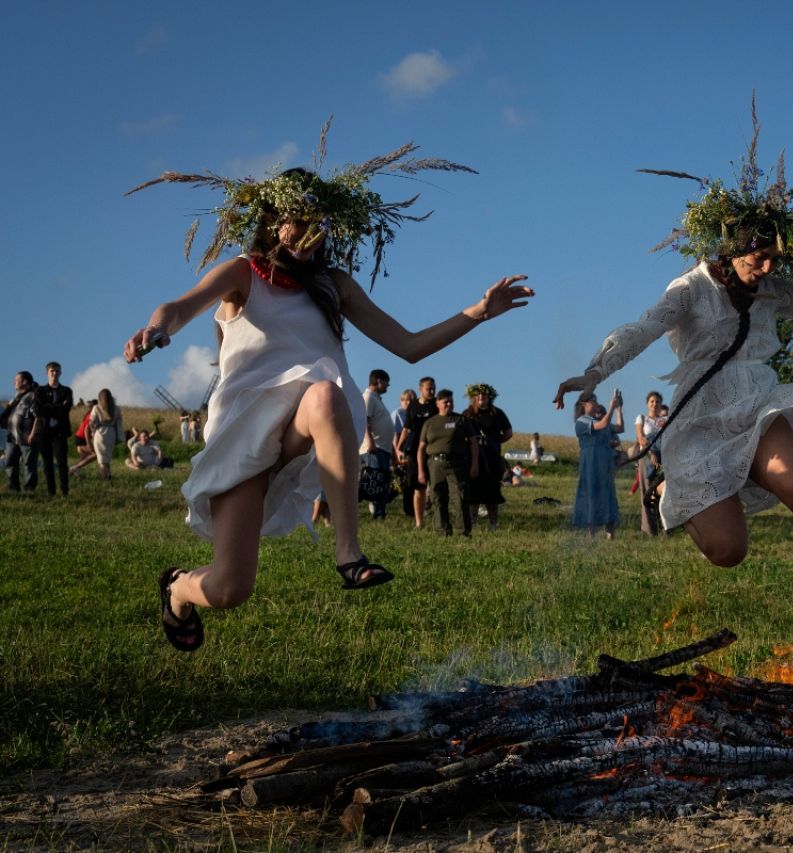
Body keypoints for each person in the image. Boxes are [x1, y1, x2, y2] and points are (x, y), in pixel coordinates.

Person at [124, 134, 533, 652]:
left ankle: (348, 553)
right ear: (275, 220)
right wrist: (156, 331)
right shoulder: (242, 274)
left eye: (319, 224)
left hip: (300, 429)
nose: (309, 232)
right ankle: (178, 588)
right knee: (230, 589)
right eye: (299, 220)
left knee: (325, 393)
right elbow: (180, 307)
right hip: (242, 438)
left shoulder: (333, 285)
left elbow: (408, 346)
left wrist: (479, 312)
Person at [554, 116, 793, 633]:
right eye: (759, 256)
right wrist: (594, 371)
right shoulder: (690, 286)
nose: (768, 268)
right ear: (731, 246)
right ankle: (669, 497)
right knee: (728, 552)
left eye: (776, 258)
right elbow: (642, 328)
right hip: (701, 415)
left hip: (755, 400)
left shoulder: (771, 288)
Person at [416, 389, 480, 537]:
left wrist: (474, 464)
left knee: (460, 497)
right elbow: (421, 448)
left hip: (456, 463)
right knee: (438, 497)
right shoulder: (430, 423)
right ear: (438, 403)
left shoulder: (461, 420)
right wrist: (421, 470)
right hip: (435, 463)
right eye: (445, 402)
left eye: (451, 401)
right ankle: (442, 530)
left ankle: (463, 531)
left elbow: (473, 443)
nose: (449, 404)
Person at [571, 391, 623, 538]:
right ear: (583, 404)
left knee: (607, 494)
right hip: (590, 463)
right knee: (591, 495)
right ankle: (591, 534)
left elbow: (620, 428)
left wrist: (619, 408)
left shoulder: (597, 419)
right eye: (592, 401)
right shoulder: (582, 421)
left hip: (604, 462)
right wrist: (611, 407)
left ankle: (610, 534)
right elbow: (603, 424)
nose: (595, 404)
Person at [462, 382, 512, 532]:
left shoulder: (497, 413)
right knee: (474, 492)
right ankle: (473, 523)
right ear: (473, 397)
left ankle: (493, 525)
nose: (481, 396)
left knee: (492, 493)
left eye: (484, 394)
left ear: (490, 396)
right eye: (478, 394)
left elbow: (508, 433)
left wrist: (495, 442)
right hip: (473, 459)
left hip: (492, 458)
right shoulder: (467, 414)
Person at [398, 376, 436, 528]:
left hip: (432, 449)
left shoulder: (436, 405)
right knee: (417, 487)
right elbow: (406, 429)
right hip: (414, 450)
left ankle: (438, 519)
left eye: (433, 388)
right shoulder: (413, 405)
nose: (432, 391)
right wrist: (399, 448)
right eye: (428, 389)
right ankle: (419, 522)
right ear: (420, 389)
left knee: (436, 487)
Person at [35, 361, 74, 496]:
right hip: (44, 431)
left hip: (60, 430)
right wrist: (58, 406)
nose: (55, 373)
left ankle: (64, 490)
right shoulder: (40, 391)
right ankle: (51, 491)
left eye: (57, 371)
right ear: (47, 373)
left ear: (61, 373)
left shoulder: (66, 391)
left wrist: (50, 407)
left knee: (62, 461)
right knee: (47, 462)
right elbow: (39, 410)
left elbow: (66, 409)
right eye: (52, 371)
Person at [360, 369, 394, 520]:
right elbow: (364, 421)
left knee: (382, 482)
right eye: (387, 382)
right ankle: (376, 513)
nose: (388, 385)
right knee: (374, 482)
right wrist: (370, 442)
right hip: (374, 448)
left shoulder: (376, 399)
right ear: (379, 380)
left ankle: (380, 514)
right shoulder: (368, 397)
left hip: (383, 448)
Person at [634, 390, 665, 535]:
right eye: (652, 401)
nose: (655, 404)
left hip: (664, 456)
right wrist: (651, 452)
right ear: (647, 404)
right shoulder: (641, 418)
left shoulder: (665, 419)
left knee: (664, 491)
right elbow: (641, 437)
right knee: (647, 491)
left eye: (657, 401)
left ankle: (666, 527)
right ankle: (649, 530)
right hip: (647, 456)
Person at [3, 371, 40, 492]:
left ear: (25, 381)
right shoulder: (16, 396)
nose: (14, 382)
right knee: (9, 462)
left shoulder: (34, 396)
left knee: (29, 464)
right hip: (12, 437)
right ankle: (13, 488)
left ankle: (29, 490)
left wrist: (33, 433)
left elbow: (39, 416)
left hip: (27, 436)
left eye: (16, 379)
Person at [88, 389, 124, 480]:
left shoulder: (96, 408)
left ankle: (105, 478)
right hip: (111, 434)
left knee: (101, 460)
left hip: (100, 433)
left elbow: (91, 423)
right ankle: (109, 475)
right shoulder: (117, 408)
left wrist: (92, 431)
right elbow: (119, 423)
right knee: (107, 458)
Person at [69, 408, 97, 475]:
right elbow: (86, 430)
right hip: (81, 438)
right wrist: (89, 444)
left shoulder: (90, 414)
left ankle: (70, 472)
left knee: (82, 461)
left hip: (79, 437)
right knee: (97, 454)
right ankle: (73, 468)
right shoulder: (92, 416)